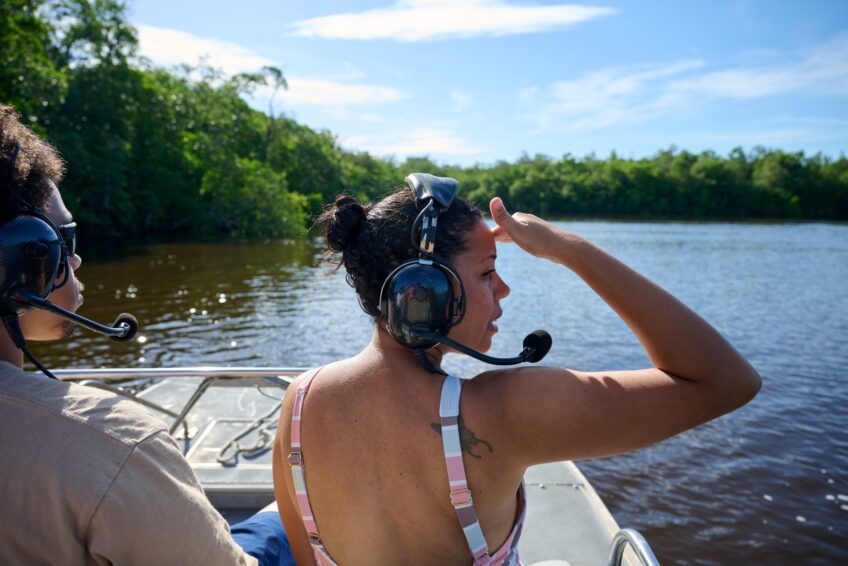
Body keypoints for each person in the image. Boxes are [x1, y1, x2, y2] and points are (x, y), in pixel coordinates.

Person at [272, 174, 762, 565]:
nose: (502, 289)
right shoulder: (506, 412)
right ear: (421, 292)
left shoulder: (299, 402)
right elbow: (725, 381)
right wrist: (568, 247)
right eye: (487, 271)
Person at [0, 102, 292, 565]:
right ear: (13, 258)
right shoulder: (111, 443)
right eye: (61, 240)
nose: (74, 260)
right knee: (286, 521)